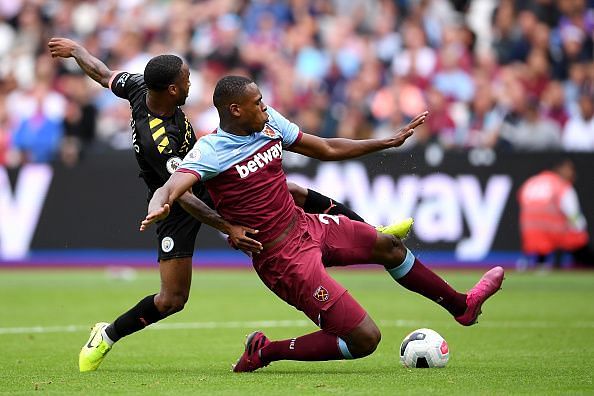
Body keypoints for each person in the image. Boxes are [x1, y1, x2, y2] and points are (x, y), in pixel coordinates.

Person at [47, 38, 413, 372]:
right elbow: (184, 195)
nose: (192, 85)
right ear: (173, 89)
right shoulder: (158, 139)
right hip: (180, 202)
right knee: (172, 299)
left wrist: (76, 50)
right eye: (187, 80)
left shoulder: (142, 85)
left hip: (204, 179)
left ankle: (369, 232)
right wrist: (229, 228)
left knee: (292, 191)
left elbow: (104, 73)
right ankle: (107, 334)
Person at [142, 76, 505, 373]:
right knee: (365, 339)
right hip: (282, 260)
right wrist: (161, 206)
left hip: (307, 226)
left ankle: (462, 306)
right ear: (235, 110)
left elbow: (327, 147)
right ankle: (266, 351)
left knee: (390, 247)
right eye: (257, 103)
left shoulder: (270, 125)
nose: (265, 107)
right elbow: (170, 187)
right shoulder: (211, 151)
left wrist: (386, 142)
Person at [518, 158, 594, 268]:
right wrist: (580, 230)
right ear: (560, 169)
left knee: (542, 246)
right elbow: (573, 215)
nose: (573, 173)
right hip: (554, 233)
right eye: (570, 169)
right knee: (578, 240)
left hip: (530, 231)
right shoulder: (561, 185)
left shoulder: (531, 181)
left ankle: (536, 263)